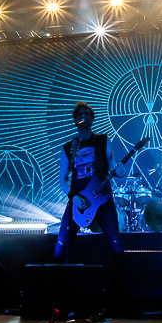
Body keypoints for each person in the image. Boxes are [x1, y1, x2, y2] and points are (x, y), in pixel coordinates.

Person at [54, 102, 123, 263]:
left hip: (104, 200)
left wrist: (120, 172)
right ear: (75, 120)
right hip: (78, 201)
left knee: (116, 246)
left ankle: (120, 285)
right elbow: (63, 178)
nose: (83, 117)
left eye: (86, 114)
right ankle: (57, 282)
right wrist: (74, 197)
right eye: (79, 115)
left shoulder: (103, 140)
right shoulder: (68, 148)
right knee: (61, 246)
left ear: (92, 119)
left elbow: (113, 164)